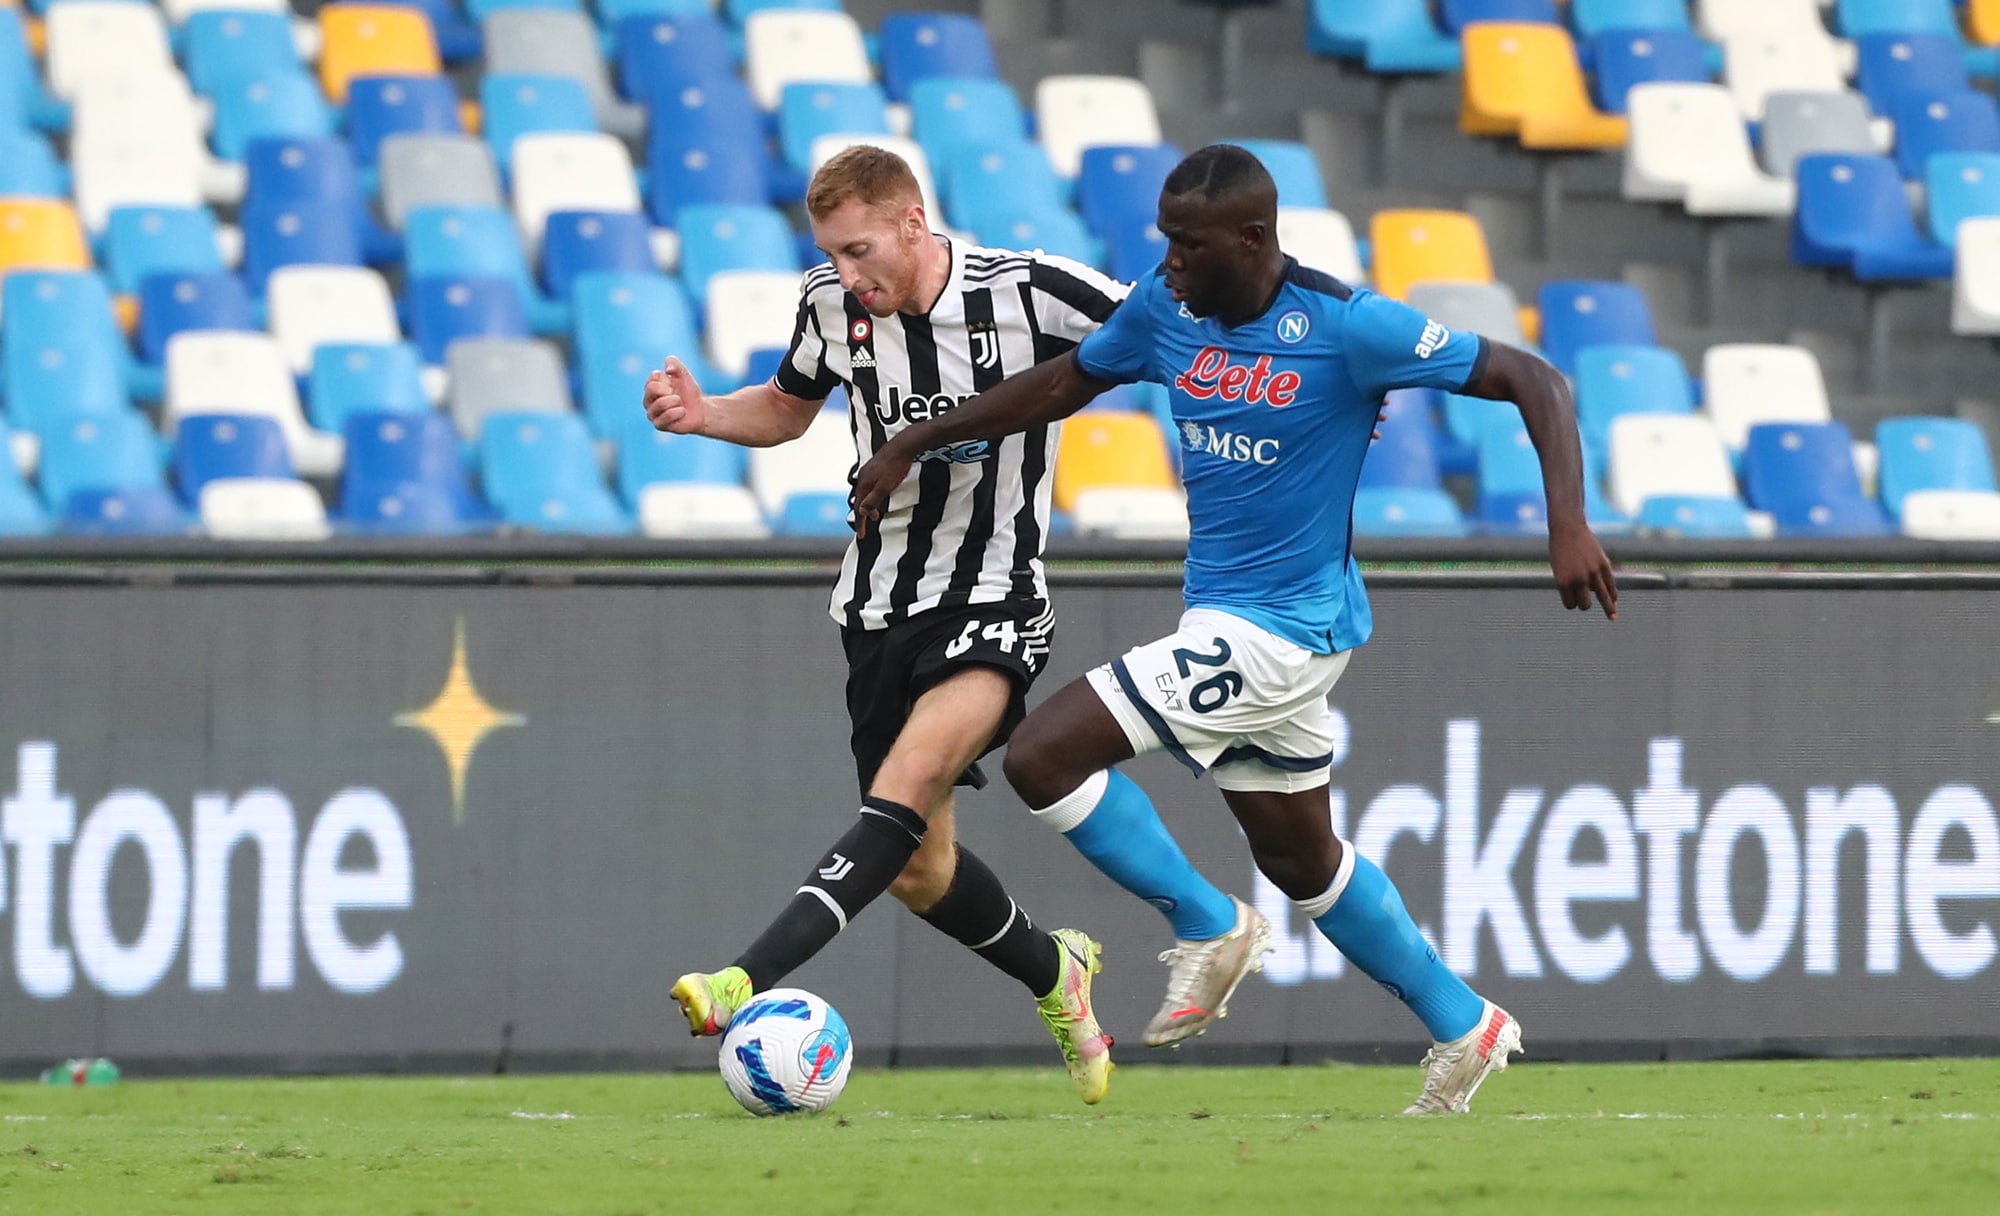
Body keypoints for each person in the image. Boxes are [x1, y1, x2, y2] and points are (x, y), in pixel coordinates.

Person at [853, 144, 1619, 1114]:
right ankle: (1464, 1023)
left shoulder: (1347, 328)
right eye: (1164, 240)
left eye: (1189, 245)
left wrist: (1566, 525)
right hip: (1230, 618)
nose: (1169, 262)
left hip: (1285, 631)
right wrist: (919, 439)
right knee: (1301, 860)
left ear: (1251, 238)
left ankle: (1208, 923)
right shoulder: (1164, 309)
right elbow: (1062, 383)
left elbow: (1534, 379)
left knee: (1042, 755)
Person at [650, 146, 1157, 1104]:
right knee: (919, 869)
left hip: (995, 597)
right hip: (878, 609)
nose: (847, 274)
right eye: (832, 255)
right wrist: (705, 413)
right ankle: (1057, 973)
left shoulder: (1030, 291)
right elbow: (786, 409)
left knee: (909, 779)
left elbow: (1171, 328)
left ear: (914, 224)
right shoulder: (829, 306)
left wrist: (1312, 404)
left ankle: (742, 980)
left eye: (860, 251)